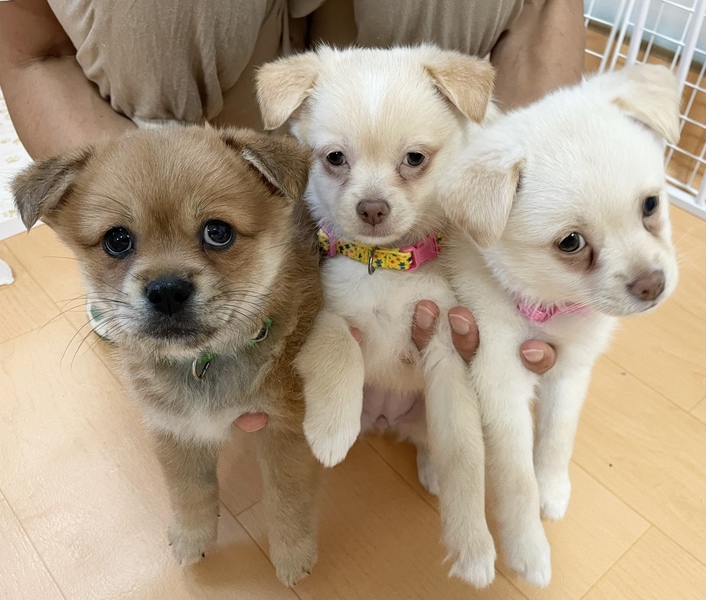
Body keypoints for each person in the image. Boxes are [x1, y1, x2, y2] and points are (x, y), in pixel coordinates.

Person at [0, 0, 585, 431]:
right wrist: (125, 195)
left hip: (427, 248)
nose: (373, 201)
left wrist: (530, 219)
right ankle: (179, 221)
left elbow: (541, 16)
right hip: (209, 116)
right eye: (119, 240)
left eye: (412, 160)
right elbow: (33, 51)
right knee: (168, 16)